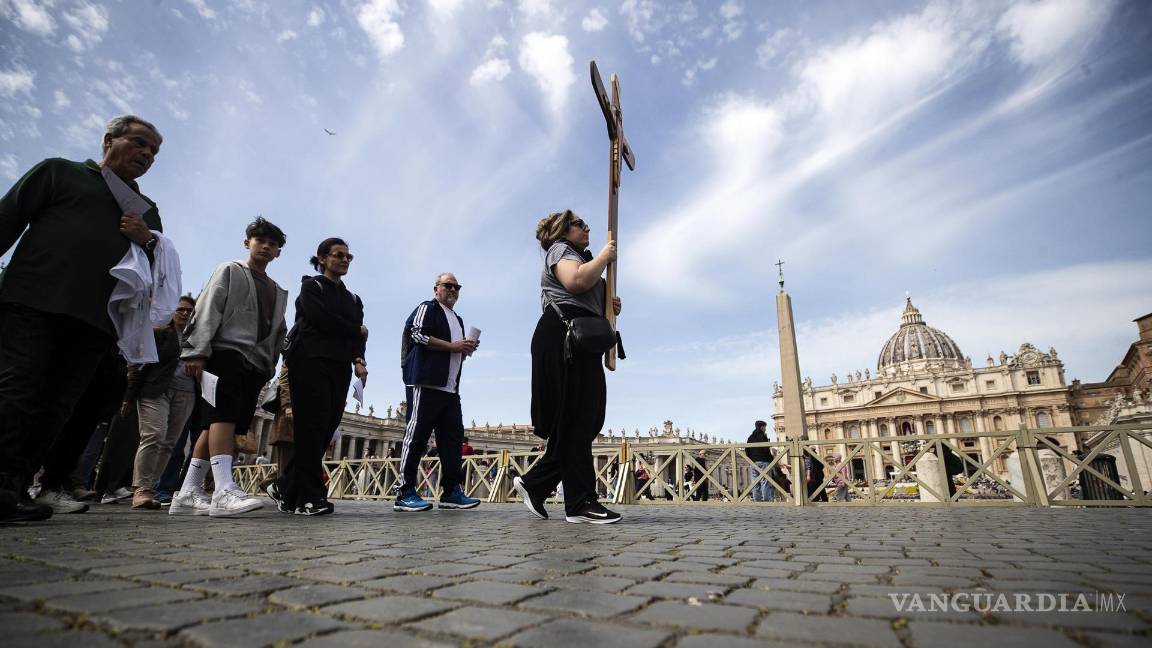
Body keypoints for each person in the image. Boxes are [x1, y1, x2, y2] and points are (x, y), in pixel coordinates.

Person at [0, 115, 163, 523]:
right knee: (17, 391)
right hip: (31, 302)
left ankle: (14, 488)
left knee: (58, 408)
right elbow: (7, 219)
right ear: (110, 139)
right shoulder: (60, 172)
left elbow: (158, 274)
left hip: (96, 323)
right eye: (140, 143)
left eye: (154, 152)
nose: (147, 155)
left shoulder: (145, 211)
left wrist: (146, 240)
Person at [172, 217, 288, 517]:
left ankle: (187, 491)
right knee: (221, 415)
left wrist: (270, 362)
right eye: (260, 240)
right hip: (226, 350)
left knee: (217, 424)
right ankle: (223, 489)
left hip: (255, 362)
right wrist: (196, 350)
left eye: (273, 244)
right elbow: (208, 306)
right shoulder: (229, 270)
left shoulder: (278, 290)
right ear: (247, 242)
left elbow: (278, 330)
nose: (266, 246)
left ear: (278, 253)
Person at [512, 210, 622, 524]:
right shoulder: (561, 251)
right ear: (562, 231)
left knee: (583, 418)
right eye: (579, 224)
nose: (587, 227)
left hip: (579, 339)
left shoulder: (583, 260)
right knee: (579, 417)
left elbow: (593, 299)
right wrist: (603, 256)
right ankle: (577, 500)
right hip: (563, 335)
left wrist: (610, 306)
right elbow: (574, 281)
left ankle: (546, 488)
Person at [266, 237, 367, 516]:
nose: (344, 260)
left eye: (349, 256)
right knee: (311, 426)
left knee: (327, 427)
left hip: (339, 366)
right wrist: (355, 331)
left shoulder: (353, 298)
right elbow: (322, 320)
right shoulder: (311, 287)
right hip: (309, 361)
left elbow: (357, 335)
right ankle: (309, 497)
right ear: (322, 258)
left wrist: (359, 360)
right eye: (338, 255)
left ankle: (285, 485)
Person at [395, 273, 481, 512]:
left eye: (457, 286)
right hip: (426, 382)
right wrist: (453, 346)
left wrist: (465, 348)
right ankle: (405, 491)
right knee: (417, 437)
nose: (453, 289)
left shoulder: (458, 319)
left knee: (453, 440)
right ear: (436, 289)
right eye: (448, 285)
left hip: (451, 388)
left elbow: (454, 352)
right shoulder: (427, 307)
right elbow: (417, 334)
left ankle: (451, 491)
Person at [126, 295, 197, 509]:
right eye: (181, 309)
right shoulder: (158, 333)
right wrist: (129, 396)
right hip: (156, 390)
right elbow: (138, 364)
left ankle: (151, 487)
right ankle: (141, 488)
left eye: (189, 311)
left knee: (169, 443)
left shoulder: (198, 338)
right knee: (153, 435)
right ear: (171, 311)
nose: (185, 313)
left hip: (186, 393)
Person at [746, 420, 774, 502]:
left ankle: (756, 500)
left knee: (755, 482)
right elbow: (766, 450)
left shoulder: (750, 437)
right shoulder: (763, 436)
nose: (765, 429)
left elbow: (747, 450)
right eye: (765, 427)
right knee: (765, 481)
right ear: (762, 427)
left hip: (754, 462)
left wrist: (751, 459)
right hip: (764, 461)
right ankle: (766, 500)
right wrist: (771, 459)